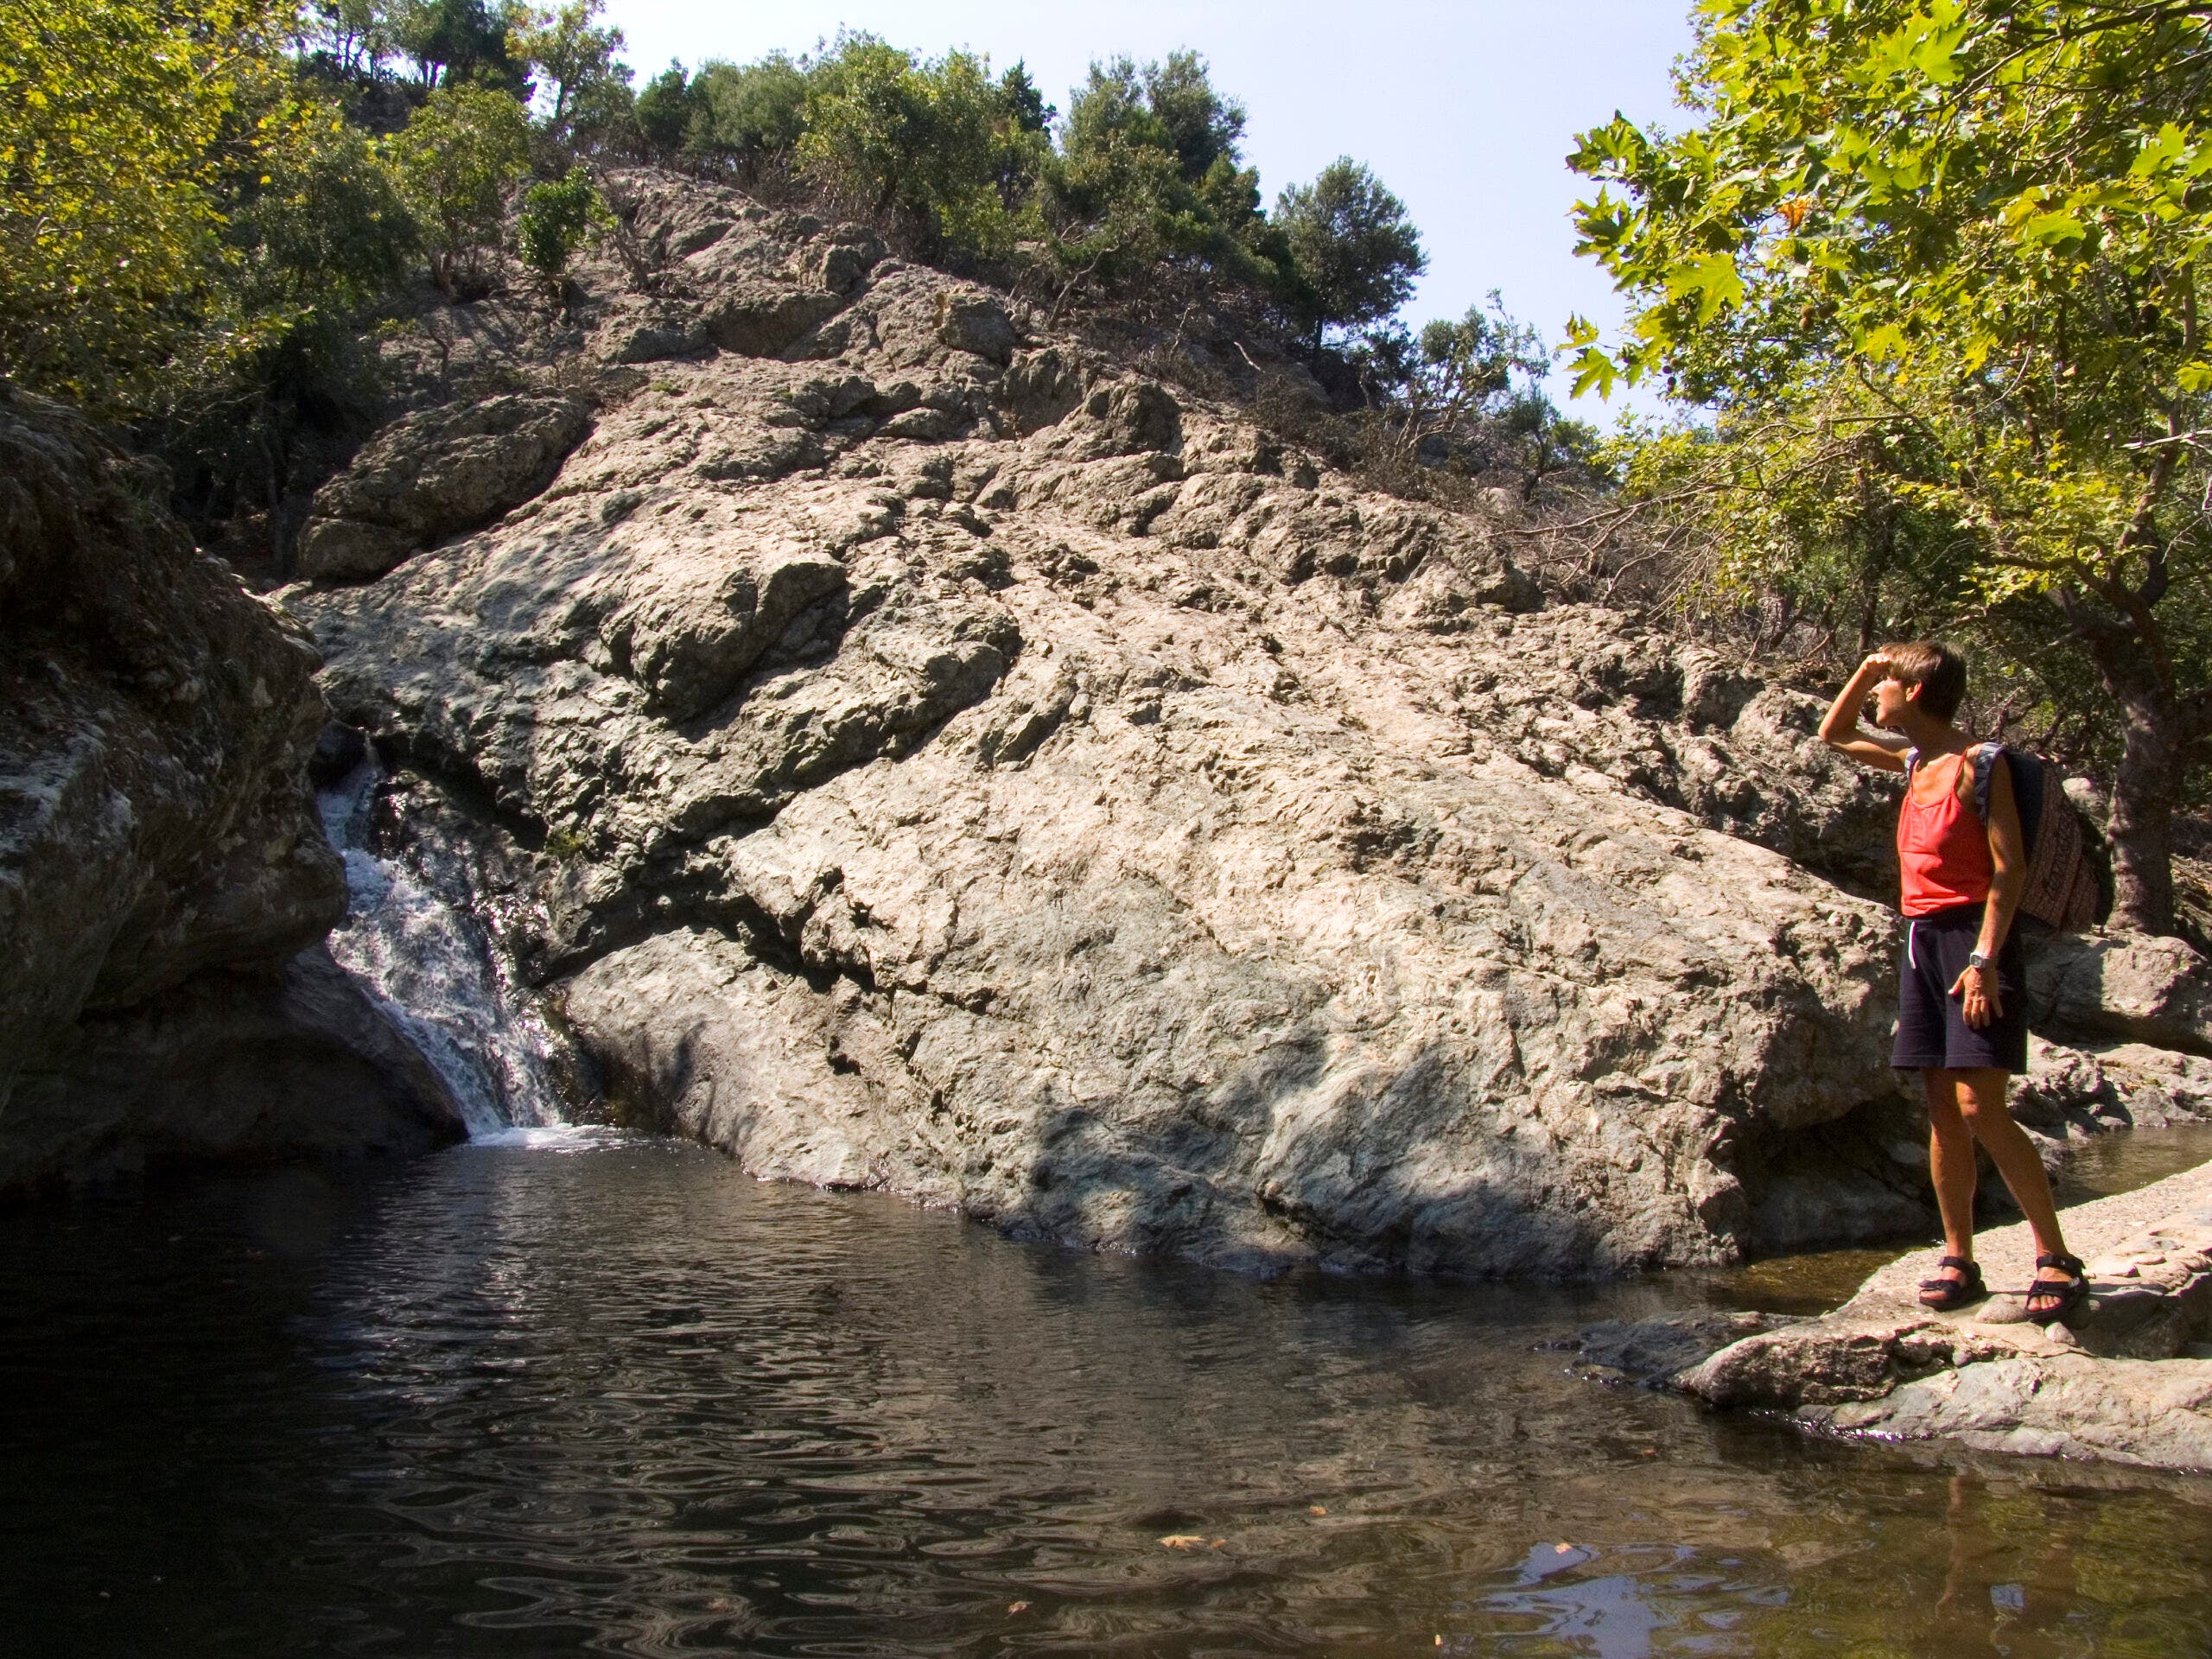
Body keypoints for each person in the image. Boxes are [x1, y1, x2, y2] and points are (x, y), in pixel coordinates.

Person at [1818, 642, 2087, 1322]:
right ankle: (1958, 1257)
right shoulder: (1916, 762)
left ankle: (2055, 1256)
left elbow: (2009, 870)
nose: (1877, 696)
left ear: (1912, 694)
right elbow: (1836, 733)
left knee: (1979, 1108)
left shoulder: (1979, 765)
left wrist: (1986, 959)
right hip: (1923, 939)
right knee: (1940, 1106)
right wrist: (1866, 670)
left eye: (1886, 686)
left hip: (1975, 941)